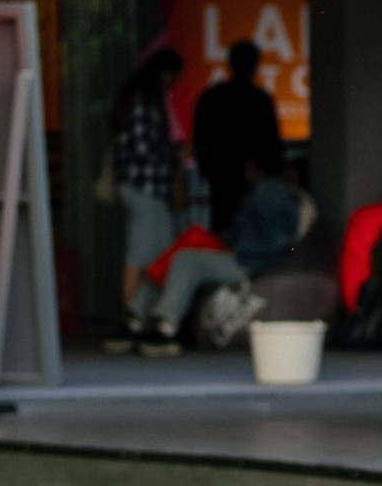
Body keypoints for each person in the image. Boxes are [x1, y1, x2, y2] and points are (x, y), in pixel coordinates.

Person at [127, 148, 308, 355]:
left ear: (253, 167)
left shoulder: (271, 193)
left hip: (249, 262)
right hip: (242, 253)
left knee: (186, 259)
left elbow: (277, 243)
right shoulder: (262, 191)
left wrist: (237, 250)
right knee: (188, 241)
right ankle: (137, 316)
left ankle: (164, 325)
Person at [105, 46, 186, 351]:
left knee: (155, 253)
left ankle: (138, 316)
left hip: (145, 187)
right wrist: (174, 154)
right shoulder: (143, 100)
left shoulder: (140, 98)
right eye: (173, 75)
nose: (173, 82)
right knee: (141, 255)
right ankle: (132, 319)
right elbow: (143, 148)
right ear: (163, 72)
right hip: (143, 186)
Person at [192, 39, 282, 251]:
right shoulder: (260, 100)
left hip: (221, 180)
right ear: (255, 65)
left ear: (229, 64)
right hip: (253, 180)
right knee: (254, 236)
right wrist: (267, 171)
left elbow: (200, 141)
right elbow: (272, 144)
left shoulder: (211, 97)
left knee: (224, 235)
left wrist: (210, 169)